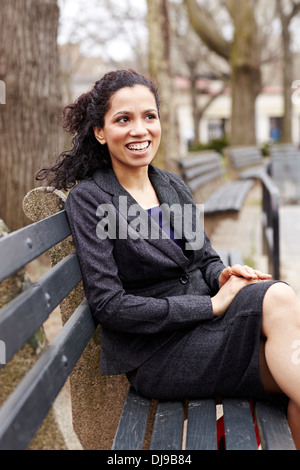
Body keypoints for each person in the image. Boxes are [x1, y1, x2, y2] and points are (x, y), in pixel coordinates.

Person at [36, 69, 300, 448]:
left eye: (149, 116)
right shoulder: (91, 200)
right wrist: (208, 306)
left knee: (279, 297)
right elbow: (111, 306)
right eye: (123, 119)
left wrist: (223, 275)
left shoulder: (171, 185)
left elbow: (205, 259)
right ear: (99, 131)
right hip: (159, 353)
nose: (139, 130)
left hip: (207, 330)